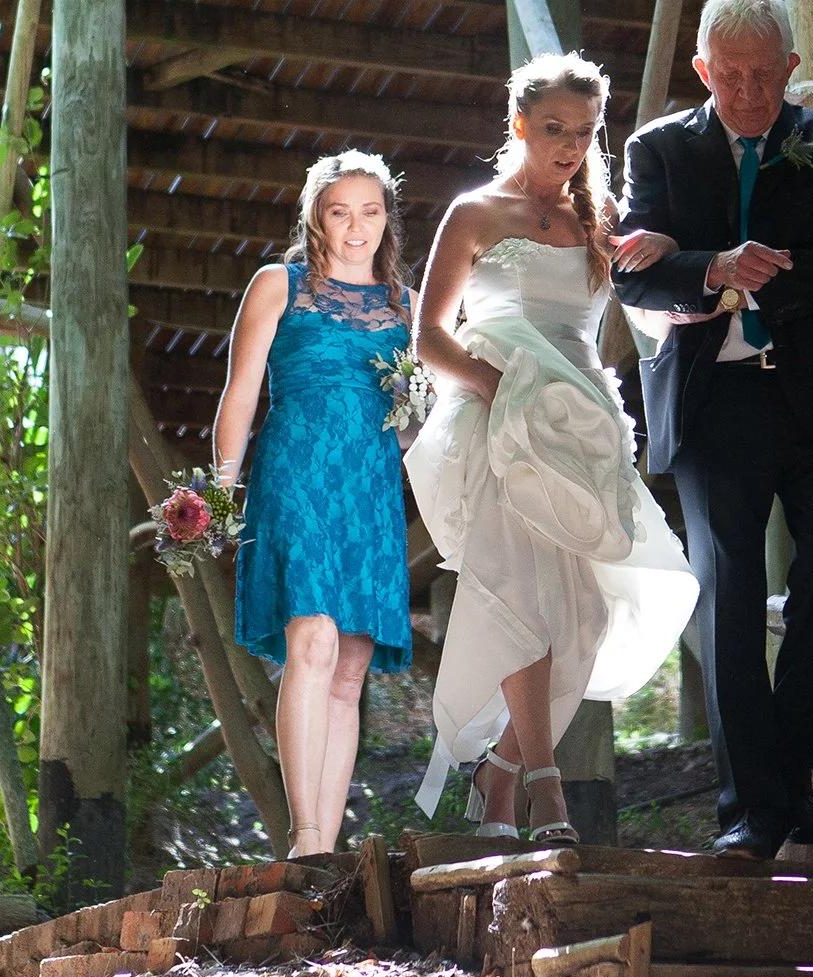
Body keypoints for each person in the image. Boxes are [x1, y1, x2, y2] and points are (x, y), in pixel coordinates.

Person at [611, 0, 813, 859]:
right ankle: (752, 813)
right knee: (726, 595)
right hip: (713, 400)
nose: (750, 92)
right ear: (702, 70)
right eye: (731, 76)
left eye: (766, 76)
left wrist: (733, 275)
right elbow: (634, 276)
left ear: (792, 69)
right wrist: (718, 269)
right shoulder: (657, 149)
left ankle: (793, 754)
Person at [407, 52, 698, 845]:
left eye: (584, 131)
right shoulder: (474, 212)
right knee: (520, 595)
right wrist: (496, 387)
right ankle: (547, 790)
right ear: (519, 125)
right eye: (552, 130)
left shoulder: (594, 221)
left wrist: (668, 254)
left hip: (580, 423)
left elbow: (648, 310)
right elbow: (428, 337)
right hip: (502, 417)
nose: (569, 145)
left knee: (587, 616)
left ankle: (498, 776)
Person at [213, 151, 414, 859]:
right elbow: (239, 396)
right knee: (315, 641)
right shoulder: (279, 285)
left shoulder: (403, 306)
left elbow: (414, 421)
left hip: (371, 486)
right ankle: (300, 840)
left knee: (352, 665)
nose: (355, 226)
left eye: (370, 210)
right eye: (339, 211)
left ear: (386, 217)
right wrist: (216, 493)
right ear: (315, 217)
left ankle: (326, 852)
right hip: (296, 471)